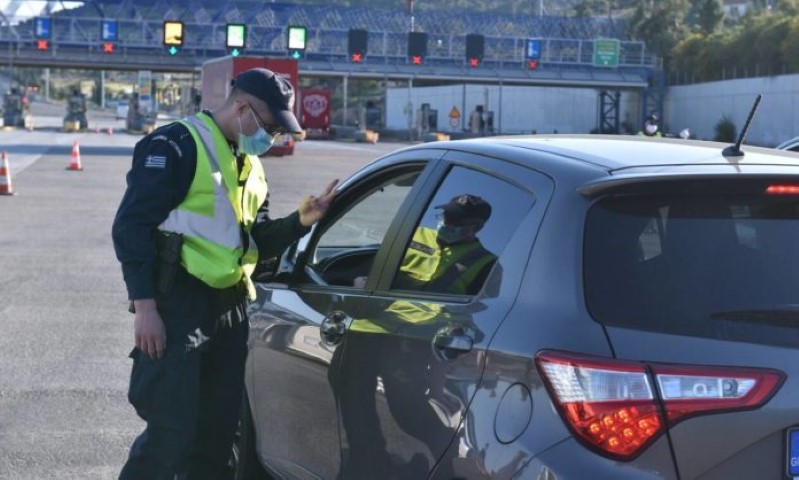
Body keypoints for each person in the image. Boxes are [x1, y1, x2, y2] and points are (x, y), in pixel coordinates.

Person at [112, 67, 338, 480]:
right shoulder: (178, 144)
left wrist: (299, 223)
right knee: (169, 436)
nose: (270, 138)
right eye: (269, 126)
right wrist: (145, 306)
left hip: (229, 308)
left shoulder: (249, 164)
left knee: (216, 438)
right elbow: (131, 226)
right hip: (178, 304)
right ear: (241, 107)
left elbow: (251, 239)